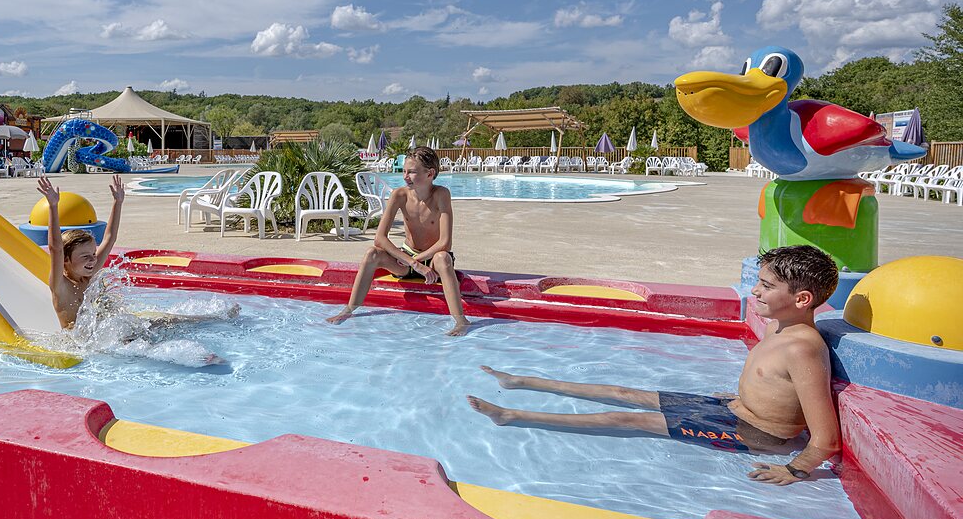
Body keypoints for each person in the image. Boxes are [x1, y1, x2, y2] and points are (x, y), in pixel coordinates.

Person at [467, 245, 843, 485]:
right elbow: (775, 386)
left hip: (756, 434)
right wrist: (746, 396)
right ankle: (523, 381)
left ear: (802, 298)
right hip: (731, 409)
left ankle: (511, 415)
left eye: (765, 286)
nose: (755, 292)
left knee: (626, 417)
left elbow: (825, 437)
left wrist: (795, 470)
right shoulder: (780, 326)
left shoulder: (803, 348)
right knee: (623, 393)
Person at [326, 145, 470, 336]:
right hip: (406, 260)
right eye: (404, 171)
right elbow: (380, 238)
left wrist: (419, 260)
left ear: (430, 173)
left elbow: (445, 242)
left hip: (433, 259)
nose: (405, 176)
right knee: (371, 253)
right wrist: (411, 261)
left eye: (411, 172)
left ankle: (461, 320)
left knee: (444, 258)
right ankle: (349, 309)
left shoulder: (441, 195)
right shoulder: (399, 195)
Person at [38, 175, 125, 328]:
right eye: (85, 256)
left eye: (93, 254)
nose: (93, 260)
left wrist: (117, 203)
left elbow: (109, 238)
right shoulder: (60, 286)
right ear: (66, 259)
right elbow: (56, 249)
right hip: (77, 347)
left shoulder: (90, 276)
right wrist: (53, 206)